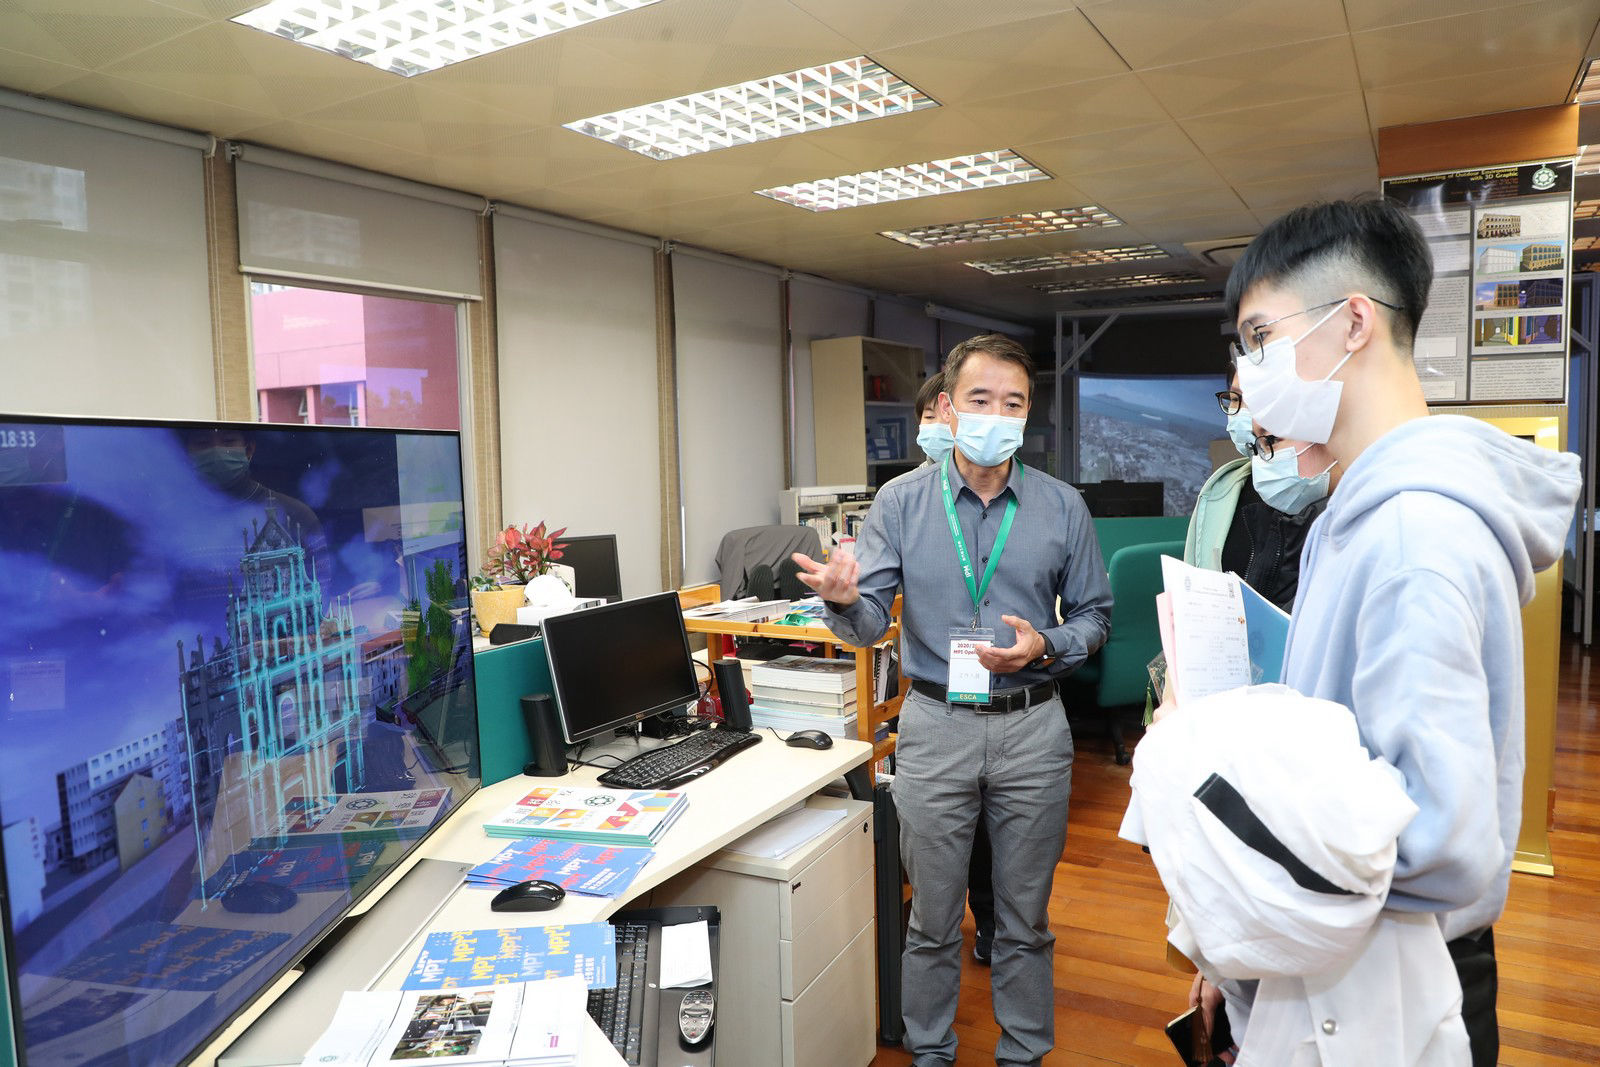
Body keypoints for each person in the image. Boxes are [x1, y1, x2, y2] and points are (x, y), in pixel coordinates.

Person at [1219, 197, 1580, 1065]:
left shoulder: (1414, 533)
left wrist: (1233, 818)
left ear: (1353, 323)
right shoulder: (1355, 511)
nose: (1249, 370)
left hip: (1395, 976)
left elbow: (1435, 840)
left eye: (1261, 337)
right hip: (1348, 956)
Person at [793, 334, 1111, 1066]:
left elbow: (1096, 616)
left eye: (1013, 403)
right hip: (935, 726)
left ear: (1027, 413)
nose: (996, 415)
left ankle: (1023, 1051)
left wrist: (1046, 644)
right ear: (946, 407)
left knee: (1025, 919)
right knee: (932, 918)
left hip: (1033, 727)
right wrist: (842, 601)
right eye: (980, 399)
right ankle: (931, 1050)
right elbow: (869, 622)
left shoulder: (1063, 506)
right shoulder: (901, 502)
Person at [909, 371, 993, 963]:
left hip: (1006, 697)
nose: (935, 428)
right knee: (939, 834)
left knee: (991, 832)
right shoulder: (906, 501)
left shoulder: (1013, 498)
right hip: (938, 702)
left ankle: (989, 919)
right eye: (928, 418)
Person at [1185, 371, 1337, 612]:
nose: (1249, 415)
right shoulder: (1222, 489)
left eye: (1259, 398)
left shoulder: (1360, 514)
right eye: (1235, 399)